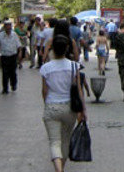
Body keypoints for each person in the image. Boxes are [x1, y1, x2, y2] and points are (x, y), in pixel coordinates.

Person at [40, 35, 87, 172]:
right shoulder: (74, 66)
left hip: (51, 107)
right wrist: (83, 110)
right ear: (67, 49)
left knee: (54, 142)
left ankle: (58, 169)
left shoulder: (46, 68)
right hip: (69, 108)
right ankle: (61, 168)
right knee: (65, 140)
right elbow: (79, 91)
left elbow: (44, 91)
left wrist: (47, 105)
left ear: (52, 49)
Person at [0, 20, 23, 94]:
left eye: (9, 26)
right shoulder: (0, 36)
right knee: (5, 73)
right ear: (4, 27)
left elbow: (19, 45)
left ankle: (13, 85)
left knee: (13, 72)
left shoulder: (14, 35)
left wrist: (20, 53)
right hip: (4, 56)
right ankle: (5, 88)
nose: (8, 27)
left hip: (13, 56)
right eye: (7, 26)